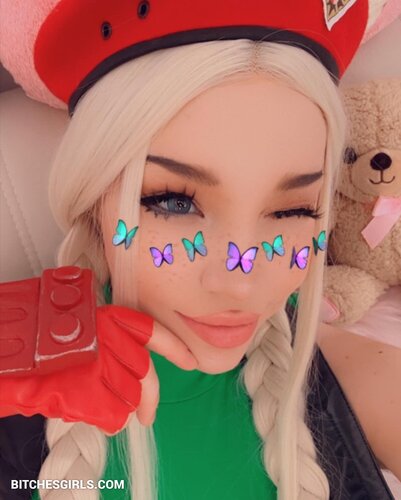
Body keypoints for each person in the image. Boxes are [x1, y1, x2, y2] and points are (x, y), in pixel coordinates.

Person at [0, 1, 395, 499]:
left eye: (293, 210)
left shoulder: (346, 372)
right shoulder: (16, 382)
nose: (241, 284)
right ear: (93, 200)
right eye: (174, 203)